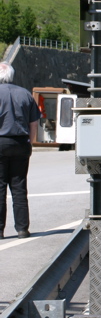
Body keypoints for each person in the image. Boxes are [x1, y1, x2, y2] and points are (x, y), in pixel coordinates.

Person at [0, 62, 40, 239]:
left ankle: (0, 230)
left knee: (0, 187)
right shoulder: (25, 94)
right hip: (21, 144)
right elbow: (34, 125)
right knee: (19, 187)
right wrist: (28, 143)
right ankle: (22, 229)